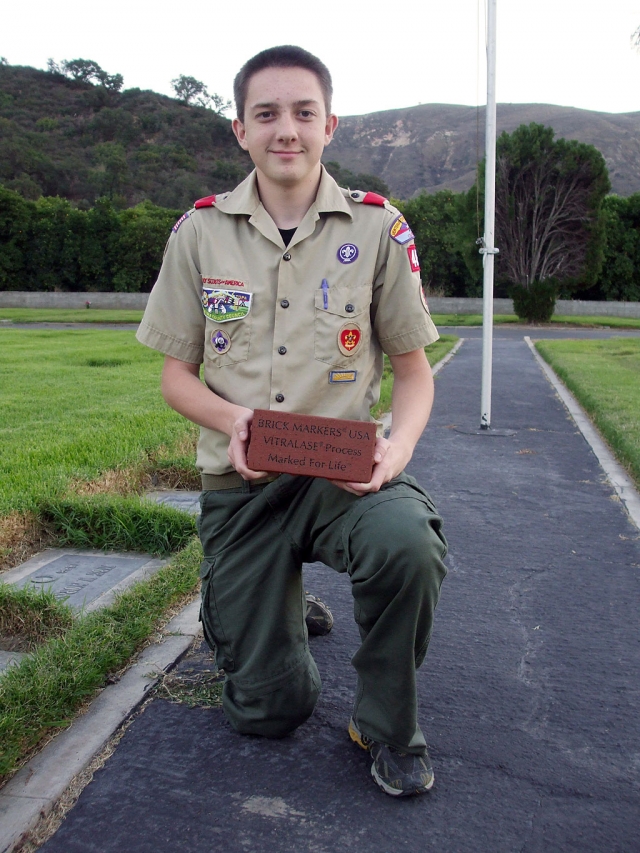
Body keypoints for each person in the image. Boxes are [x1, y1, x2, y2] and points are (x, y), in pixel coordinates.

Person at [136, 45, 447, 797]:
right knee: (267, 711)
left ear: (329, 124)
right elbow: (175, 374)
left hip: (340, 477)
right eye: (266, 114)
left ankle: (385, 724)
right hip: (243, 487)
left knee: (408, 543)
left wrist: (396, 449)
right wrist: (233, 418)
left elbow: (412, 372)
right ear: (239, 129)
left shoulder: (377, 230)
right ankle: (259, 611)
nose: (286, 130)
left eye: (303, 113)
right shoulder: (199, 234)